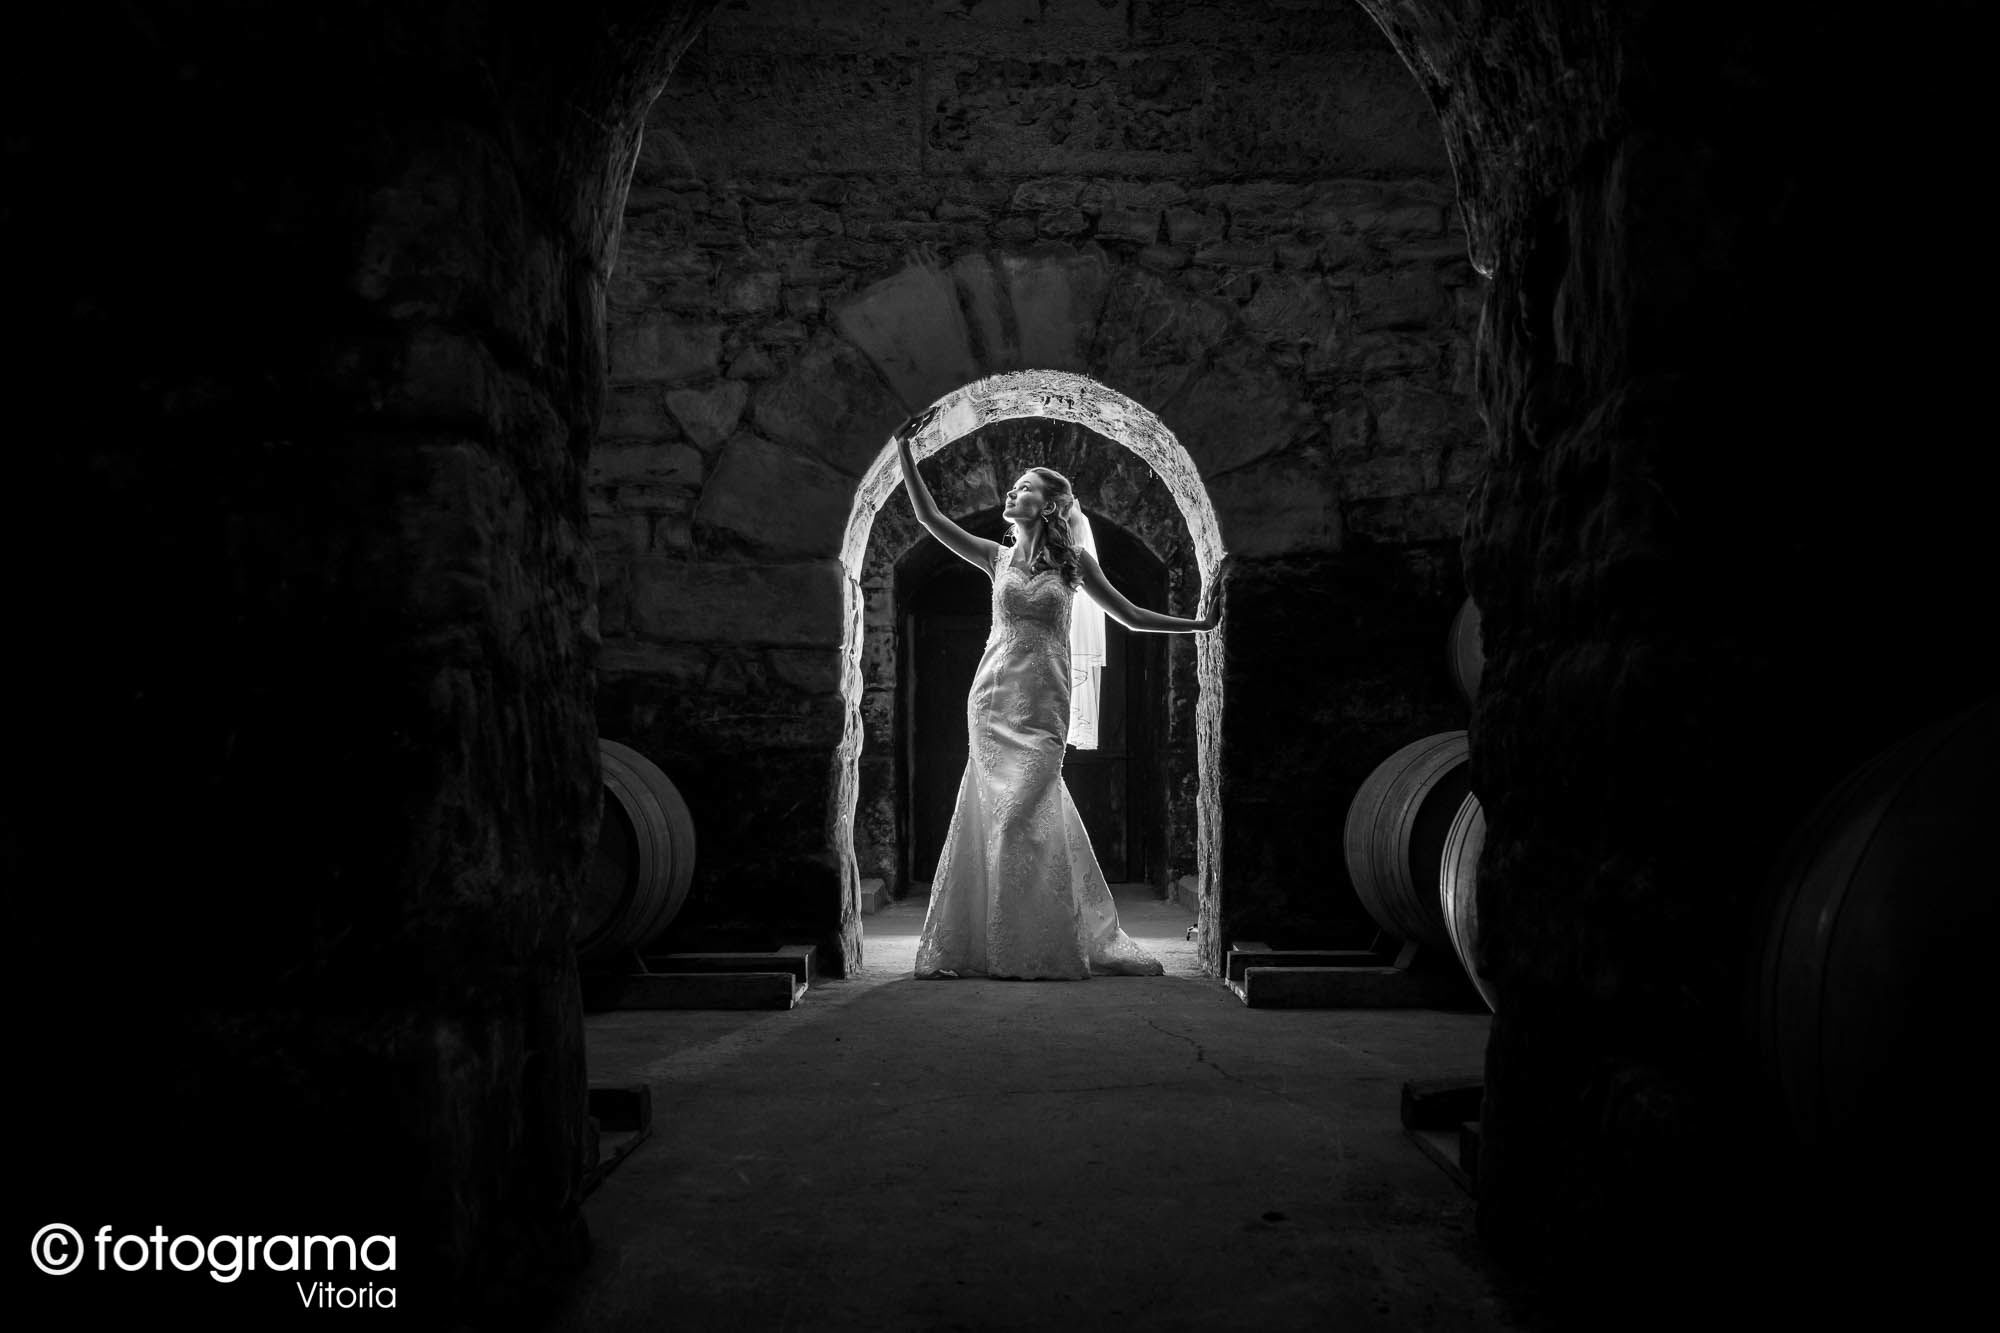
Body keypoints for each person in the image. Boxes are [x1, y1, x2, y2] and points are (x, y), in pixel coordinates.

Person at [893, 408, 1221, 979]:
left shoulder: (1073, 567)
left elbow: (1133, 617)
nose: (1013, 491)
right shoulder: (994, 557)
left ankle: (1041, 938)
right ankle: (988, 943)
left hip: (1045, 703)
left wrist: (1198, 625)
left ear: (1047, 506)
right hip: (992, 698)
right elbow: (929, 517)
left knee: (1024, 813)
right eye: (1016, 484)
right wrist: (904, 449)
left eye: (1026, 487)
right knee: (994, 815)